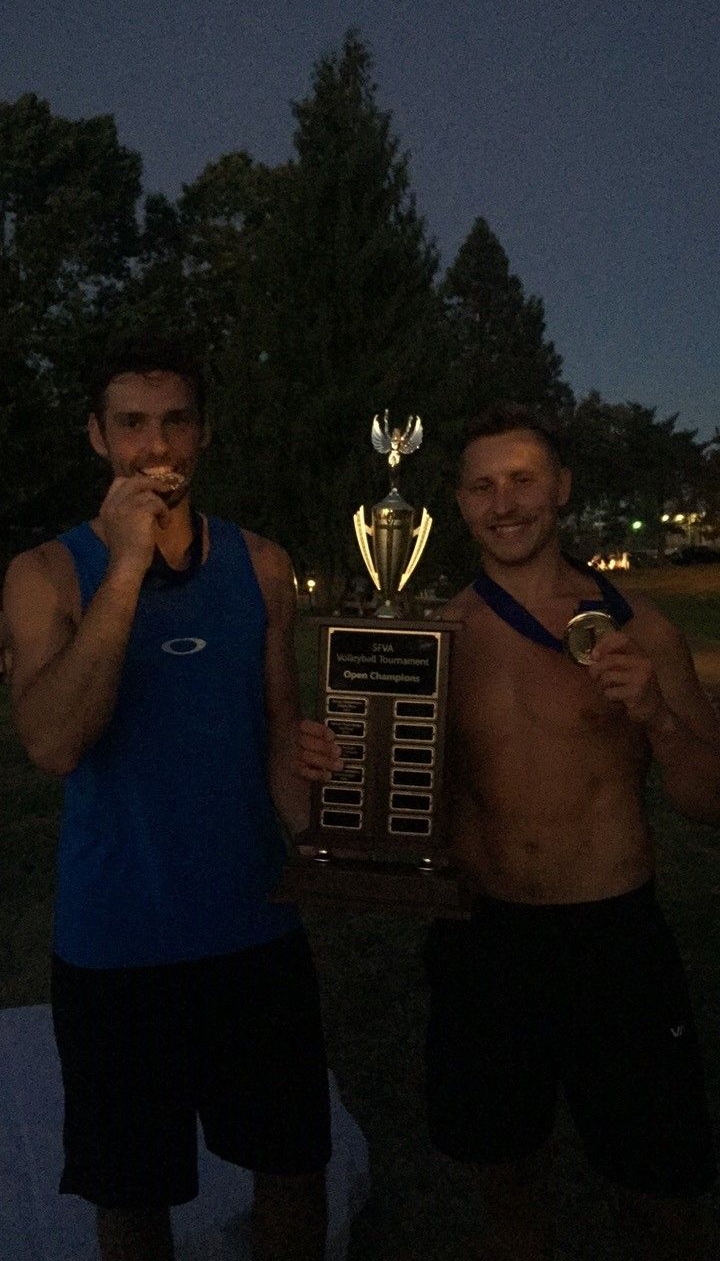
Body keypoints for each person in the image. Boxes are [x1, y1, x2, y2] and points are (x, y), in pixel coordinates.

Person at [299, 402, 719, 1260]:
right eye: (483, 485)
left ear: (561, 488)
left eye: (523, 479)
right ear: (456, 503)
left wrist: (659, 718)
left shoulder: (643, 629)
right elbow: (400, 805)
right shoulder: (438, 639)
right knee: (508, 1182)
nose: (505, 502)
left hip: (615, 940)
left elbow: (706, 800)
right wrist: (350, 761)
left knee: (663, 1196)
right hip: (485, 943)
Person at [2, 338, 331, 1261]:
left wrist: (340, 845)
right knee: (131, 1195)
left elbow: (279, 733)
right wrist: (126, 567)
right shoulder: (47, 575)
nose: (156, 447)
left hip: (256, 928)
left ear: (204, 433)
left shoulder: (261, 565)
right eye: (132, 424)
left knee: (295, 1167)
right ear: (97, 437)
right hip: (118, 943)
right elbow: (56, 742)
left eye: (175, 420)